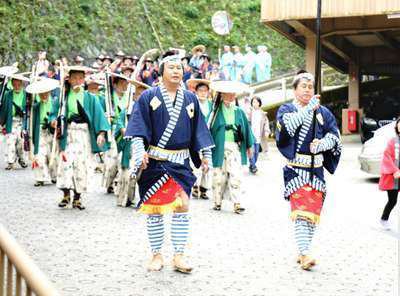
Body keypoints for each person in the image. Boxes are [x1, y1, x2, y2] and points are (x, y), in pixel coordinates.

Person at [125, 51, 214, 273]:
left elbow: (199, 130)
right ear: (161, 72)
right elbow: (138, 129)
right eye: (171, 68)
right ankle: (156, 254)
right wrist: (139, 153)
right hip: (156, 161)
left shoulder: (191, 98)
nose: (176, 71)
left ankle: (179, 255)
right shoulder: (148, 96)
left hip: (180, 161)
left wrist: (205, 155)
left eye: (179, 68)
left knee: (183, 205)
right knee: (155, 209)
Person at [275, 71, 342, 270]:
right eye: (303, 86)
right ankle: (305, 254)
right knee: (302, 213)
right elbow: (287, 129)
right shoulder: (286, 109)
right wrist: (307, 110)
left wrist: (322, 144)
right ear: (295, 89)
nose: (307, 89)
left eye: (310, 86)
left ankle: (303, 249)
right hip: (297, 169)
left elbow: (335, 137)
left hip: (317, 171)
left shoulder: (323, 112)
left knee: (313, 215)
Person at [53, 65, 110, 210]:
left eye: (80, 78)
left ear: (84, 80)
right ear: (70, 80)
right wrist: (53, 120)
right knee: (66, 164)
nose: (77, 81)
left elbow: (99, 116)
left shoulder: (90, 98)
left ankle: (77, 198)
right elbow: (55, 112)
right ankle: (66, 194)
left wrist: (101, 133)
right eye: (74, 78)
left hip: (84, 135)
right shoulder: (63, 96)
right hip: (68, 134)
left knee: (81, 165)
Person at [209, 80, 254, 214]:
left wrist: (249, 146)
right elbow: (207, 129)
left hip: (234, 146)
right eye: (227, 93)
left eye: (232, 94)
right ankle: (217, 201)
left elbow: (246, 129)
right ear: (221, 94)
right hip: (218, 147)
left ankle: (237, 202)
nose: (230, 96)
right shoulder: (214, 112)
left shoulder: (239, 111)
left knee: (236, 174)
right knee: (219, 176)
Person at [115, 80, 150, 207]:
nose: (140, 97)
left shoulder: (149, 112)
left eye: (143, 94)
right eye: (138, 94)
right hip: (128, 145)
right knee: (126, 173)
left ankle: (141, 198)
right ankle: (125, 198)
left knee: (141, 174)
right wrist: (123, 129)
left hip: (141, 146)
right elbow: (120, 121)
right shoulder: (127, 109)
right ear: (134, 96)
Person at [27, 77, 60, 186]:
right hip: (40, 132)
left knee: (52, 155)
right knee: (39, 155)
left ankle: (55, 176)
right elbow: (30, 121)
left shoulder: (55, 103)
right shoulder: (35, 107)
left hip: (52, 132)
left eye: (46, 92)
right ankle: (40, 178)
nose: (44, 95)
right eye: (41, 93)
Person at [102, 74, 129, 194]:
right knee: (112, 158)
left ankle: (119, 182)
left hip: (125, 130)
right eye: (121, 84)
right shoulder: (108, 99)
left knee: (123, 158)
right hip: (112, 129)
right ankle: (109, 182)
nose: (124, 86)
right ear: (115, 84)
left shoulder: (129, 99)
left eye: (126, 84)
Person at [187, 79, 213, 200]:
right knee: (195, 162)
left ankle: (204, 188)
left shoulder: (212, 106)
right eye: (200, 91)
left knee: (207, 161)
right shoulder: (192, 103)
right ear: (196, 92)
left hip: (207, 137)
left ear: (208, 92)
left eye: (205, 91)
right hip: (194, 137)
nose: (203, 93)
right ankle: (195, 185)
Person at [0, 73, 30, 170]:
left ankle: (21, 159)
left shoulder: (27, 95)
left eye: (18, 84)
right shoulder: (7, 95)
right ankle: (10, 162)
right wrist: (1, 123)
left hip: (22, 122)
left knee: (20, 142)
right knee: (10, 141)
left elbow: (30, 109)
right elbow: (4, 110)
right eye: (14, 84)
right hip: (11, 122)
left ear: (21, 84)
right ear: (12, 84)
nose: (16, 86)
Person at [379, 117, 400, 230]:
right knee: (393, 200)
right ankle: (384, 219)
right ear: (397, 127)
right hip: (394, 177)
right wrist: (395, 170)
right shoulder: (393, 141)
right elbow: (387, 157)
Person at [249, 96, 270, 174]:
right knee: (251, 151)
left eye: (257, 102)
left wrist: (267, 131)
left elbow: (266, 124)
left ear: (259, 103)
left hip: (258, 135)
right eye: (253, 102)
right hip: (250, 135)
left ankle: (251, 165)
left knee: (256, 153)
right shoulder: (249, 112)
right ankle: (254, 167)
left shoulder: (263, 114)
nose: (255, 103)